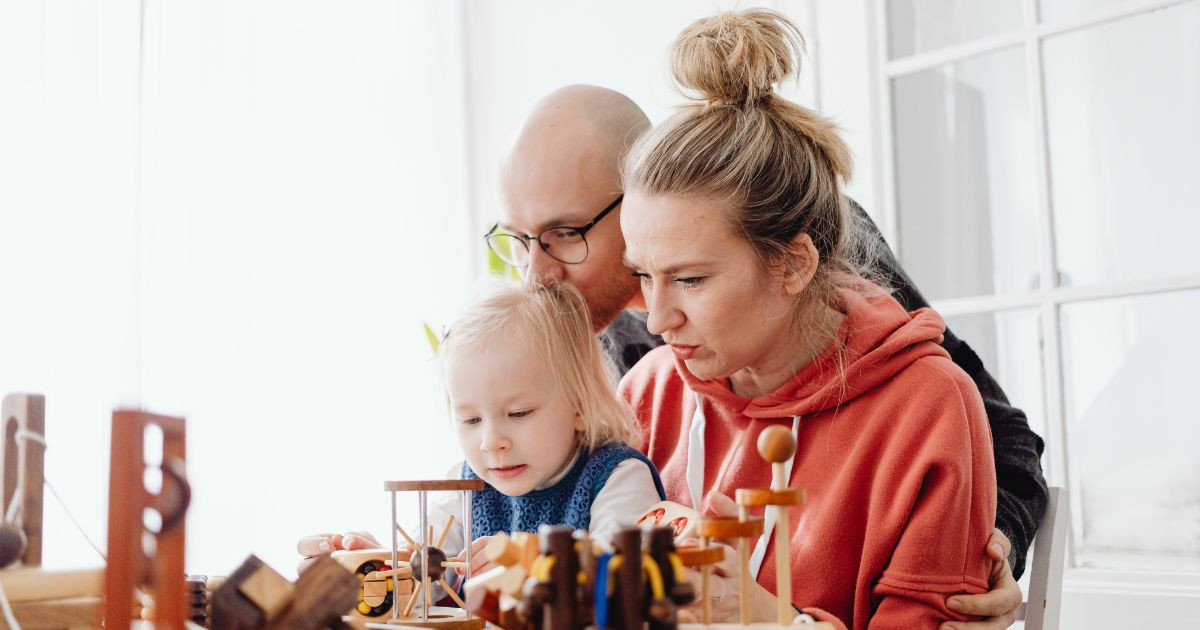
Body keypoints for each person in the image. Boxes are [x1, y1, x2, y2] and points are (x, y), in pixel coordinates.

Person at [615, 8, 997, 628]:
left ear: (793, 264)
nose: (657, 319)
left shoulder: (927, 407)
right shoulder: (648, 393)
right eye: (642, 276)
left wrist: (769, 618)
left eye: (689, 279)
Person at [299, 281, 664, 574]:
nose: (492, 442)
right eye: (470, 420)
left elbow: (628, 571)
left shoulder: (615, 476)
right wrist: (371, 561)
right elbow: (421, 569)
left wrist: (532, 560)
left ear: (580, 406)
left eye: (519, 413)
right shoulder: (468, 487)